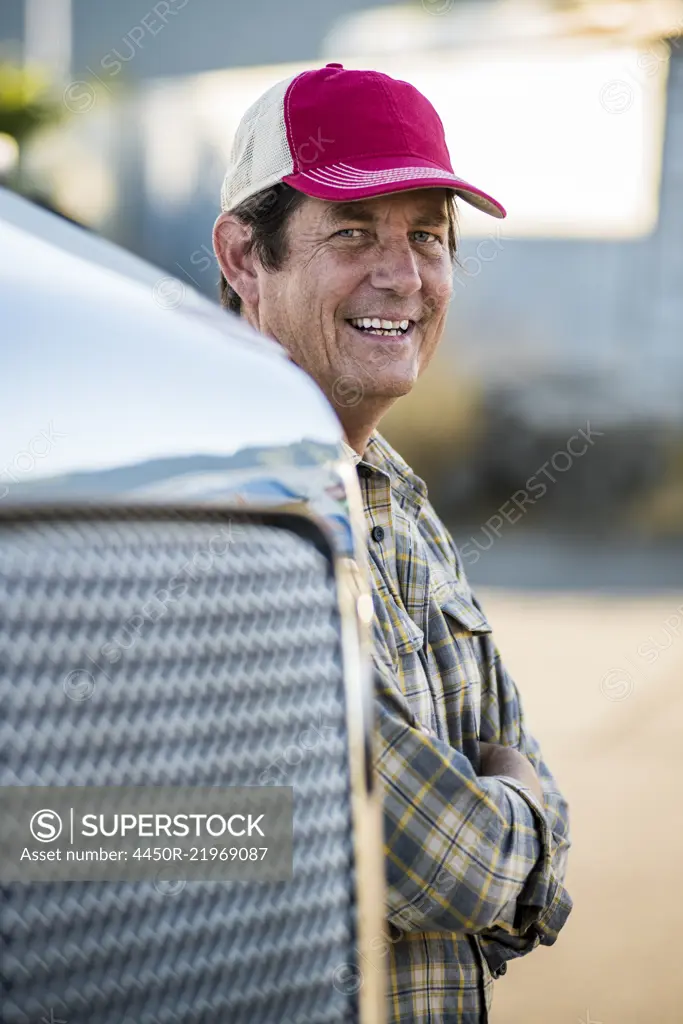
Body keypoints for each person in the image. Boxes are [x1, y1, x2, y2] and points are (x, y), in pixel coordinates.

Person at [213, 62, 572, 1023]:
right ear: (246, 256)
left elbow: (510, 827)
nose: (402, 276)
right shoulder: (220, 507)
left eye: (426, 236)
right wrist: (512, 822)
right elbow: (445, 862)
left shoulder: (394, 491)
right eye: (352, 233)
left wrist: (502, 831)